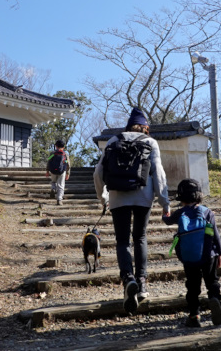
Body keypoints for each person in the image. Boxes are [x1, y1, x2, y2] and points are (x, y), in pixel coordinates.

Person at [94, 107, 171, 314]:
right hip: (143, 196)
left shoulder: (112, 141)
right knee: (140, 237)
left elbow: (98, 172)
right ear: (145, 127)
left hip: (118, 196)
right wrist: (165, 203)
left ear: (128, 126)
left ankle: (127, 278)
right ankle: (142, 284)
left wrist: (103, 197)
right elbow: (159, 173)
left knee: (122, 241)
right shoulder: (150, 142)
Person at [162, 178, 221, 327]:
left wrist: (166, 212)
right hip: (209, 254)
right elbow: (215, 234)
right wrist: (219, 253)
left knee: (192, 286)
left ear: (181, 197)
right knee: (212, 281)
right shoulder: (206, 212)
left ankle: (194, 315)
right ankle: (214, 299)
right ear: (199, 195)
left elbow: (167, 220)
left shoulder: (179, 213)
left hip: (189, 257)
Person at [46, 139, 70, 205]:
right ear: (63, 147)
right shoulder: (65, 154)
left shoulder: (52, 153)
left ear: (56, 146)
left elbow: (49, 161)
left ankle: (53, 188)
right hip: (62, 171)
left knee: (53, 181)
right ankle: (59, 200)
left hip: (53, 171)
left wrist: (47, 171)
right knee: (61, 185)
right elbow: (68, 164)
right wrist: (68, 173)